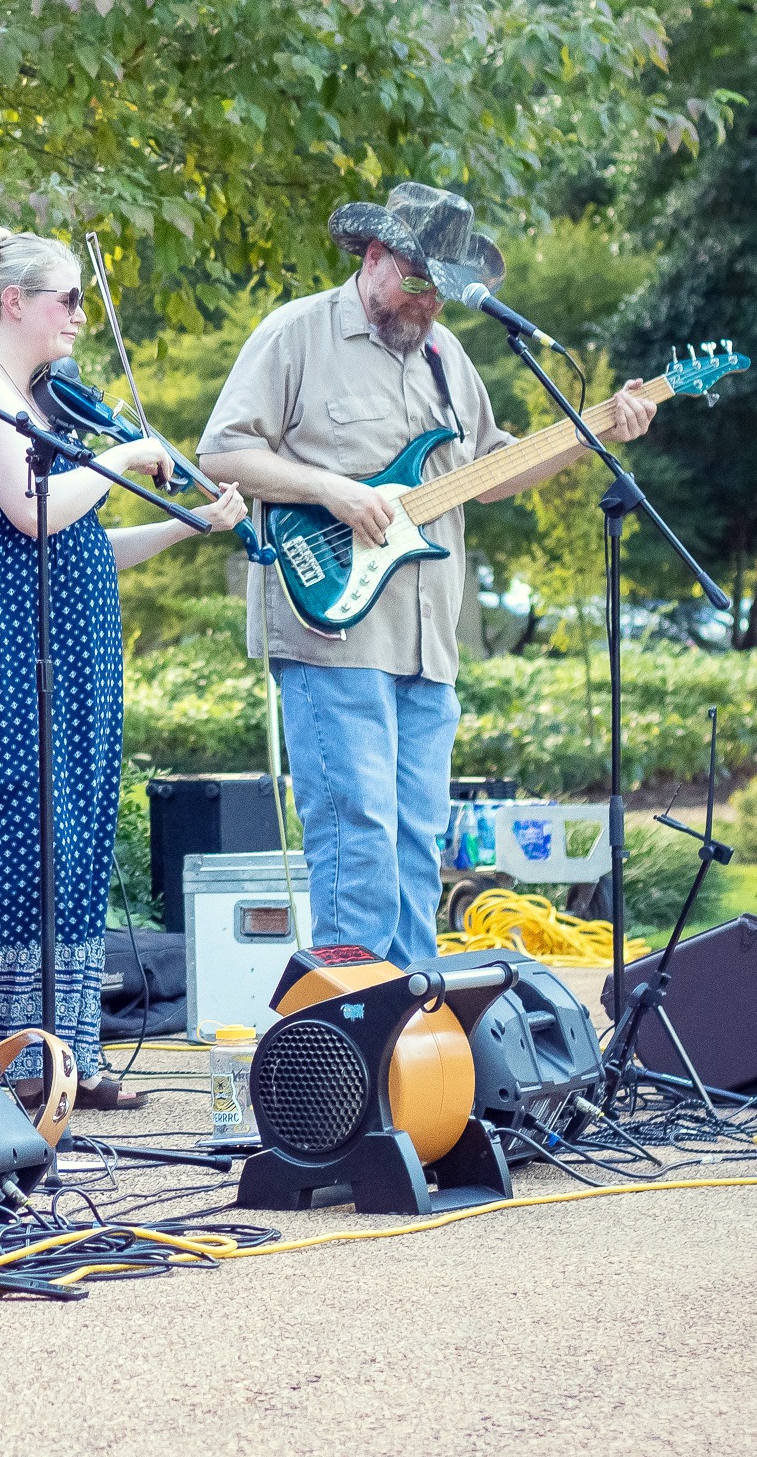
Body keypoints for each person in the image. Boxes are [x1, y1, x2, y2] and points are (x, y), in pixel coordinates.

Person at [197, 182, 656, 968]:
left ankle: (413, 1019)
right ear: (374, 258)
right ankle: (350, 1027)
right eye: (417, 282)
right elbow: (220, 454)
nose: (429, 302)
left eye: (442, 290)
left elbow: (492, 471)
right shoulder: (297, 334)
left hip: (428, 643)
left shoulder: (447, 357)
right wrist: (331, 490)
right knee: (359, 833)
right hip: (331, 627)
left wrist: (595, 433)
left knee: (417, 840)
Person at [0, 229, 249, 1105]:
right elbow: (33, 511)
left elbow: (82, 543)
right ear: (15, 302)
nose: (80, 316)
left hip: (67, 641)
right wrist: (117, 458)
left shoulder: (40, 404)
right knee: (7, 838)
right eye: (67, 299)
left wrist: (189, 524)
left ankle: (62, 1054)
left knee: (68, 840)